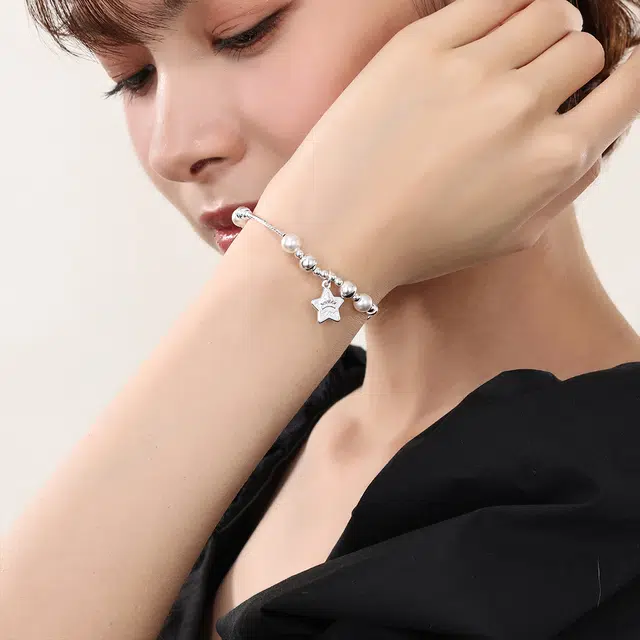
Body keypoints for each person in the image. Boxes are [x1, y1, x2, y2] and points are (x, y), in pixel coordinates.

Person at [3, 0, 640, 638]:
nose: (172, 148)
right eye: (132, 78)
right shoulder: (258, 450)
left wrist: (296, 265)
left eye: (244, 33)